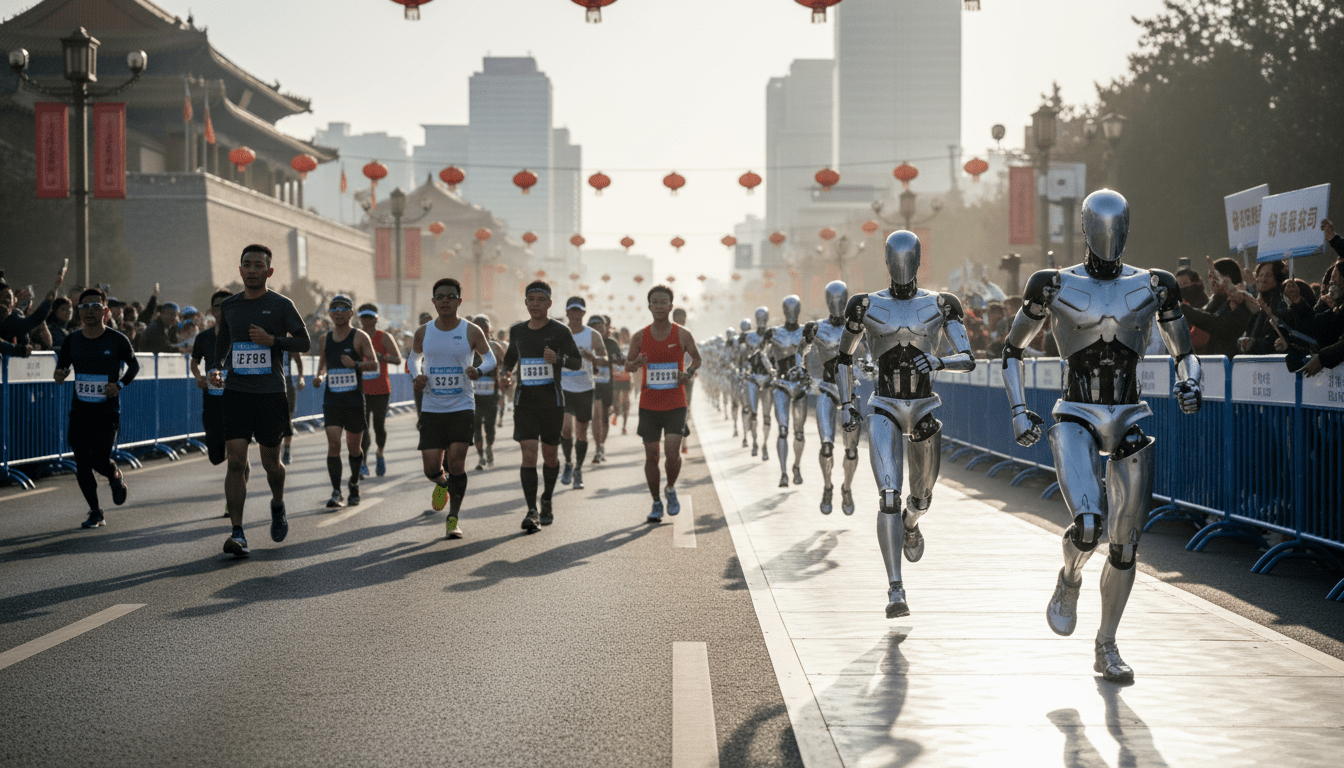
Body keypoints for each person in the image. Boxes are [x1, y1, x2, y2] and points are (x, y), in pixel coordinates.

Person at [1001, 190, 1202, 683]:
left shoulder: (1156, 284)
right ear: (1088, 228)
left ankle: (1107, 644)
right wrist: (1019, 411)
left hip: (1130, 413)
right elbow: (1011, 350)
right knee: (1088, 525)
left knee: (1125, 544)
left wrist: (1189, 381)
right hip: (1075, 411)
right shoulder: (1051, 284)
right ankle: (1068, 577)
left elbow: (1184, 350)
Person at [835, 231, 975, 620]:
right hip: (882, 404)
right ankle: (896, 588)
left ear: (917, 260)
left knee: (921, 498)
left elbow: (968, 357)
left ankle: (912, 522)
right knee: (888, 497)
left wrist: (940, 362)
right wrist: (848, 403)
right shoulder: (864, 305)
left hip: (925, 405)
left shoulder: (942, 304)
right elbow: (843, 358)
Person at [208, 244, 310, 558]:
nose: (253, 270)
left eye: (259, 265)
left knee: (271, 465)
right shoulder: (232, 306)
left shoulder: (281, 304)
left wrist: (273, 341)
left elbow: (303, 342)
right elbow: (225, 338)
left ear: (269, 271)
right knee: (236, 461)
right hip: (237, 392)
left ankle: (277, 504)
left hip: (270, 393)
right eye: (247, 265)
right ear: (240, 270)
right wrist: (216, 366)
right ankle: (237, 532)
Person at [412, 280, 495, 538]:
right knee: (430, 468)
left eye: (451, 296)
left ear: (459, 301)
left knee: (457, 462)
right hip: (432, 406)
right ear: (434, 301)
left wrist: (478, 370)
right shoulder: (423, 332)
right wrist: (416, 374)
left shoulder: (471, 331)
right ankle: (442, 483)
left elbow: (490, 358)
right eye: (440, 297)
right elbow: (413, 357)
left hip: (461, 405)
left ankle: (453, 519)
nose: (445, 301)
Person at [53, 287, 139, 529]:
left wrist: (119, 385)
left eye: (94, 306)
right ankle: (95, 511)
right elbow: (62, 366)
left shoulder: (117, 339)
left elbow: (134, 367)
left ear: (105, 310)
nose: (89, 310)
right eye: (84, 306)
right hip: (80, 412)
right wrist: (60, 374)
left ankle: (114, 476)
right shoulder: (72, 340)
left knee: (99, 458)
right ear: (79, 312)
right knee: (82, 461)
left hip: (106, 412)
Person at [502, 281, 582, 531]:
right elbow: (509, 361)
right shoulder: (517, 331)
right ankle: (531, 510)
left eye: (541, 300)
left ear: (549, 303)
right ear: (525, 302)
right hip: (524, 402)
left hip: (552, 403)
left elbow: (577, 363)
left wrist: (558, 359)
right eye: (531, 299)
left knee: (550, 456)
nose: (535, 304)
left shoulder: (559, 331)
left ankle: (547, 498)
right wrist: (504, 374)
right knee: (528, 455)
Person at [625, 285, 701, 523]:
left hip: (676, 402)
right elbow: (628, 366)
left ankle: (670, 487)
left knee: (672, 453)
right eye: (654, 302)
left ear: (671, 305)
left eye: (663, 302)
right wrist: (637, 361)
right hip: (649, 403)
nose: (659, 306)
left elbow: (697, 359)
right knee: (651, 455)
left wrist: (687, 373)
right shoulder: (640, 336)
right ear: (649, 306)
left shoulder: (682, 334)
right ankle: (656, 502)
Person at [803, 281, 863, 515]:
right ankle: (827, 486)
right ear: (827, 301)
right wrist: (806, 374)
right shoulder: (816, 328)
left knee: (851, 450)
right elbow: (803, 353)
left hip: (850, 392)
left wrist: (870, 367)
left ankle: (846, 488)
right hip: (827, 389)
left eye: (841, 299)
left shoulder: (859, 326)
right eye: (832, 299)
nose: (836, 304)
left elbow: (871, 354)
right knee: (826, 446)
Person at [313, 295, 376, 509]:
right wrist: (320, 377)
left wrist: (356, 364)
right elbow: (323, 365)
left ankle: (354, 483)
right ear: (330, 314)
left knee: (353, 447)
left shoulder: (360, 337)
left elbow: (374, 364)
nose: (338, 312)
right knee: (333, 445)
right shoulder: (324, 338)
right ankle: (336, 491)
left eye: (343, 309)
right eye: (334, 308)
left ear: (351, 313)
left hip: (354, 401)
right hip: (332, 400)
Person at [191, 290, 237, 515]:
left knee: (236, 455)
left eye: (227, 305)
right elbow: (194, 362)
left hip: (238, 402)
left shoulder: (242, 335)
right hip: (212, 402)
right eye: (218, 306)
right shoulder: (204, 337)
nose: (222, 309)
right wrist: (199, 377)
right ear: (211, 310)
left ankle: (233, 501)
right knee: (217, 457)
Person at [762, 296, 815, 487]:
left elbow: (808, 351)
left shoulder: (806, 330)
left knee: (799, 432)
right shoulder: (773, 332)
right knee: (783, 430)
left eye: (795, 309)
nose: (791, 313)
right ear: (784, 311)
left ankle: (797, 466)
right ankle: (784, 473)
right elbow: (762, 353)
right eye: (788, 309)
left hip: (799, 385)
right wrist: (771, 371)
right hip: (782, 384)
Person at [557, 297, 606, 490]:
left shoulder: (592, 335)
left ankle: (578, 469)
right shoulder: (559, 333)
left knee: (582, 432)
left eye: (579, 311)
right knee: (566, 428)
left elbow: (604, 358)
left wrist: (593, 358)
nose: (576, 315)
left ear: (584, 313)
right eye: (572, 311)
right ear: (567, 313)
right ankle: (568, 463)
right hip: (564, 387)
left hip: (585, 388)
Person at [357, 303, 402, 477]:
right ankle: (362, 462)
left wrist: (382, 357)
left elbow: (398, 359)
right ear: (359, 318)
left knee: (379, 427)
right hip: (361, 390)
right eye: (364, 317)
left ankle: (380, 454)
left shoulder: (384, 337)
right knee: (363, 428)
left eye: (370, 317)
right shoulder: (356, 336)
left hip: (381, 389)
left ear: (376, 318)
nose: (367, 320)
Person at [1183, 257, 1251, 358]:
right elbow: (1204, 314)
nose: (1212, 281)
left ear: (1229, 278)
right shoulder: (1216, 300)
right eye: (1210, 277)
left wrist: (1187, 311)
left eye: (1216, 277)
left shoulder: (1243, 301)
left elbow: (1219, 324)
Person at [470, 314, 505, 471]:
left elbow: (505, 368)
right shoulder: (467, 347)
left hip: (492, 393)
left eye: (485, 329)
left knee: (489, 426)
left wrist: (505, 380)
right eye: (479, 329)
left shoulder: (496, 347)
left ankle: (489, 447)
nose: (483, 332)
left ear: (490, 330)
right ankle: (481, 457)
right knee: (476, 426)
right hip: (473, 395)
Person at [0, 264, 64, 345]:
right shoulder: (11, 320)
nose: (6, 300)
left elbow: (47, 343)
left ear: (14, 301)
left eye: (9, 297)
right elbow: (34, 319)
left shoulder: (15, 315)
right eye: (1, 297)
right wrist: (52, 295)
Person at [740, 310, 774, 460]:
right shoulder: (749, 337)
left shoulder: (774, 335)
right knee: (753, 414)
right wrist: (744, 370)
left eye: (763, 317)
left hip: (767, 379)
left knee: (767, 416)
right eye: (759, 317)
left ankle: (765, 445)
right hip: (753, 378)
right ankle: (754, 442)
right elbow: (742, 358)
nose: (761, 320)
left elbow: (778, 356)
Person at [589, 314, 622, 464]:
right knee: (596, 415)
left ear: (605, 328)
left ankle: (601, 445)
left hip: (607, 384)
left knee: (604, 418)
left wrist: (623, 360)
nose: (596, 330)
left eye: (599, 327)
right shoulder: (584, 341)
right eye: (593, 327)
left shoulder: (611, 343)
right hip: (589, 385)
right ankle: (597, 447)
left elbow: (620, 360)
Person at [611, 326, 634, 435]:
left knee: (626, 403)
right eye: (623, 334)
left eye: (626, 334)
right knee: (616, 403)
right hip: (615, 378)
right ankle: (615, 413)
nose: (625, 336)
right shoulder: (614, 345)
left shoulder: (631, 347)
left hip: (626, 378)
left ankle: (624, 427)